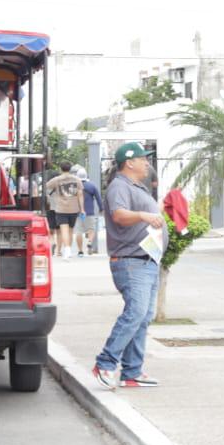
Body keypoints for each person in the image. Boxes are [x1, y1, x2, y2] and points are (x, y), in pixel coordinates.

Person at [93, 142, 166, 390]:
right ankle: (105, 363)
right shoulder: (119, 186)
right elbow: (119, 215)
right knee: (135, 313)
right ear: (129, 162)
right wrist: (144, 215)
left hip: (147, 260)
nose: (147, 163)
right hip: (131, 262)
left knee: (143, 317)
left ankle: (132, 372)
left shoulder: (137, 187)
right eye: (143, 159)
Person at [44, 162, 84, 258]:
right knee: (70, 230)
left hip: (61, 209)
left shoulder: (57, 180)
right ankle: (68, 249)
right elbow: (80, 195)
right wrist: (82, 209)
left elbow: (46, 186)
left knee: (64, 230)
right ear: (70, 169)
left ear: (60, 169)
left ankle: (67, 250)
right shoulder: (77, 180)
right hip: (74, 208)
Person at [75, 166, 104, 256]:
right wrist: (101, 208)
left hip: (77, 212)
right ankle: (90, 242)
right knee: (91, 229)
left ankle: (80, 251)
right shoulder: (92, 186)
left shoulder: (75, 186)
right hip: (90, 212)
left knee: (78, 232)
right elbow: (98, 198)